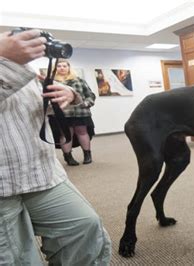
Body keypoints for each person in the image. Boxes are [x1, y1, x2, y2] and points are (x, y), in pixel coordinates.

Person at [0, 29, 111, 264]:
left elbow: (24, 107)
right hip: (2, 183)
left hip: (41, 172)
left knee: (85, 228)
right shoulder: (8, 59)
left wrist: (68, 95)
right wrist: (5, 59)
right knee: (18, 258)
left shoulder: (19, 64)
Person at [53, 58, 96, 165]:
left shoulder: (79, 80)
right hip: (62, 114)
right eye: (59, 66)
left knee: (82, 132)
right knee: (66, 134)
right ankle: (68, 157)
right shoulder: (52, 82)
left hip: (80, 112)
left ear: (69, 68)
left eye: (64, 66)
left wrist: (86, 103)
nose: (62, 68)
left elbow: (90, 95)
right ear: (55, 68)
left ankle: (87, 155)